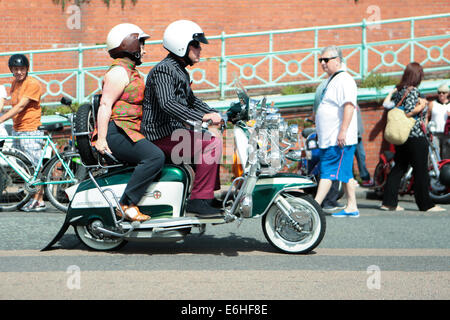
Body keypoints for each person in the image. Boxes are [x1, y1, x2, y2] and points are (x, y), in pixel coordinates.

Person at [142, 20, 223, 217]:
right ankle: (199, 200)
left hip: (171, 132)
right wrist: (204, 118)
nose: (200, 49)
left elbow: (192, 101)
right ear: (181, 45)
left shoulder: (179, 71)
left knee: (213, 138)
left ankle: (206, 195)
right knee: (210, 144)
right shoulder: (164, 70)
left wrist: (217, 113)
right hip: (159, 134)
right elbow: (168, 103)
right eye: (196, 45)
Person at [94, 23, 165, 222]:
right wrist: (101, 139)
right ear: (129, 45)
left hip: (129, 130)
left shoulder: (131, 71)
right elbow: (105, 104)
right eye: (141, 44)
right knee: (154, 157)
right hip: (117, 132)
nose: (145, 49)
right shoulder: (119, 72)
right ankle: (126, 203)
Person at [380, 62, 444, 212]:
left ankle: (389, 203)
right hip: (415, 136)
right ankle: (426, 205)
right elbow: (408, 112)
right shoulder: (413, 91)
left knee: (399, 168)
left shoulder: (400, 91)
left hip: (403, 137)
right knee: (421, 171)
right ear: (417, 76)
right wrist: (422, 106)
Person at [314, 45, 359, 218]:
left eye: (327, 60)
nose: (323, 63)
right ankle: (352, 206)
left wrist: (343, 131)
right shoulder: (333, 79)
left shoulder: (344, 80)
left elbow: (349, 106)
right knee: (345, 173)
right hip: (330, 138)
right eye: (321, 60)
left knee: (327, 172)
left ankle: (315, 206)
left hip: (337, 139)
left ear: (338, 61)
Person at [0, 54, 46, 212]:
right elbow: (9, 104)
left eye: (22, 69)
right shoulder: (14, 83)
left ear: (27, 69)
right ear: (11, 70)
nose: (19, 71)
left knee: (34, 166)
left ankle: (39, 200)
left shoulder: (33, 83)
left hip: (30, 129)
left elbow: (20, 107)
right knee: (24, 166)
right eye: (16, 69)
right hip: (17, 128)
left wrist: (1, 119)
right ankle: (32, 196)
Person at [427, 83, 449, 159]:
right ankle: (436, 170)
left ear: (447, 93)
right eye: (439, 93)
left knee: (446, 155)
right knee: (435, 154)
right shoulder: (432, 104)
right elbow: (427, 117)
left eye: (444, 93)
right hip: (435, 133)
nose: (441, 94)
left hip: (447, 134)